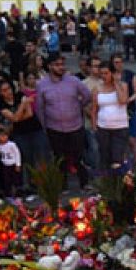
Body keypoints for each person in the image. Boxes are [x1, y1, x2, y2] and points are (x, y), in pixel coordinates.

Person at [36, 53, 94, 189]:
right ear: (50, 67)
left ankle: (84, 184)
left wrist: (79, 106)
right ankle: (62, 186)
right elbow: (40, 107)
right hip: (54, 128)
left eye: (62, 64)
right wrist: (45, 126)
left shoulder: (73, 81)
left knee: (78, 156)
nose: (61, 67)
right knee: (59, 158)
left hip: (75, 126)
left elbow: (87, 95)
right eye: (57, 65)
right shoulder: (42, 84)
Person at [0, 125, 23, 197]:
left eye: (5, 135)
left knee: (15, 179)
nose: (4, 137)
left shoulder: (12, 144)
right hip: (5, 165)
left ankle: (17, 192)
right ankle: (8, 193)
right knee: (7, 179)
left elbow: (17, 154)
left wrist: (18, 164)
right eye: (2, 136)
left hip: (13, 164)